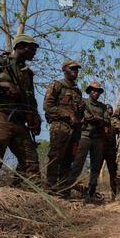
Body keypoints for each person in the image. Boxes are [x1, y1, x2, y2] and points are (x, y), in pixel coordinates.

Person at [0, 34, 41, 186]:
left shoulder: (27, 72)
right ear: (20, 47)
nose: (34, 52)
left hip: (20, 120)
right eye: (31, 49)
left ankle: (25, 196)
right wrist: (1, 85)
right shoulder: (0, 63)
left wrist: (35, 118)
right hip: (0, 115)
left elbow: (30, 98)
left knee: (31, 163)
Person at [44, 59, 85, 194]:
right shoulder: (57, 85)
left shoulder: (77, 91)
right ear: (65, 70)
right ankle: (51, 186)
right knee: (56, 156)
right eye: (72, 69)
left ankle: (63, 188)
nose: (75, 72)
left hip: (75, 130)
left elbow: (79, 113)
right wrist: (67, 115)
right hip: (60, 127)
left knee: (69, 158)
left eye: (77, 70)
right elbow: (48, 107)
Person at [66, 81, 109, 202]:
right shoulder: (83, 102)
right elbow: (75, 115)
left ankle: (91, 191)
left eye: (98, 91)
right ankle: (67, 189)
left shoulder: (103, 107)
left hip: (98, 138)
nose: (95, 92)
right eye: (93, 90)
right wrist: (85, 117)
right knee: (77, 164)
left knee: (96, 166)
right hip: (84, 136)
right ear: (89, 91)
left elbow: (107, 120)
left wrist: (97, 119)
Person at [103, 104, 118, 199]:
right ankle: (91, 192)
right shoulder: (101, 120)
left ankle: (114, 193)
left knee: (113, 172)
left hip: (112, 150)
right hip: (101, 149)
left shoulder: (114, 122)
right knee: (95, 170)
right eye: (108, 108)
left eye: (111, 108)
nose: (110, 110)